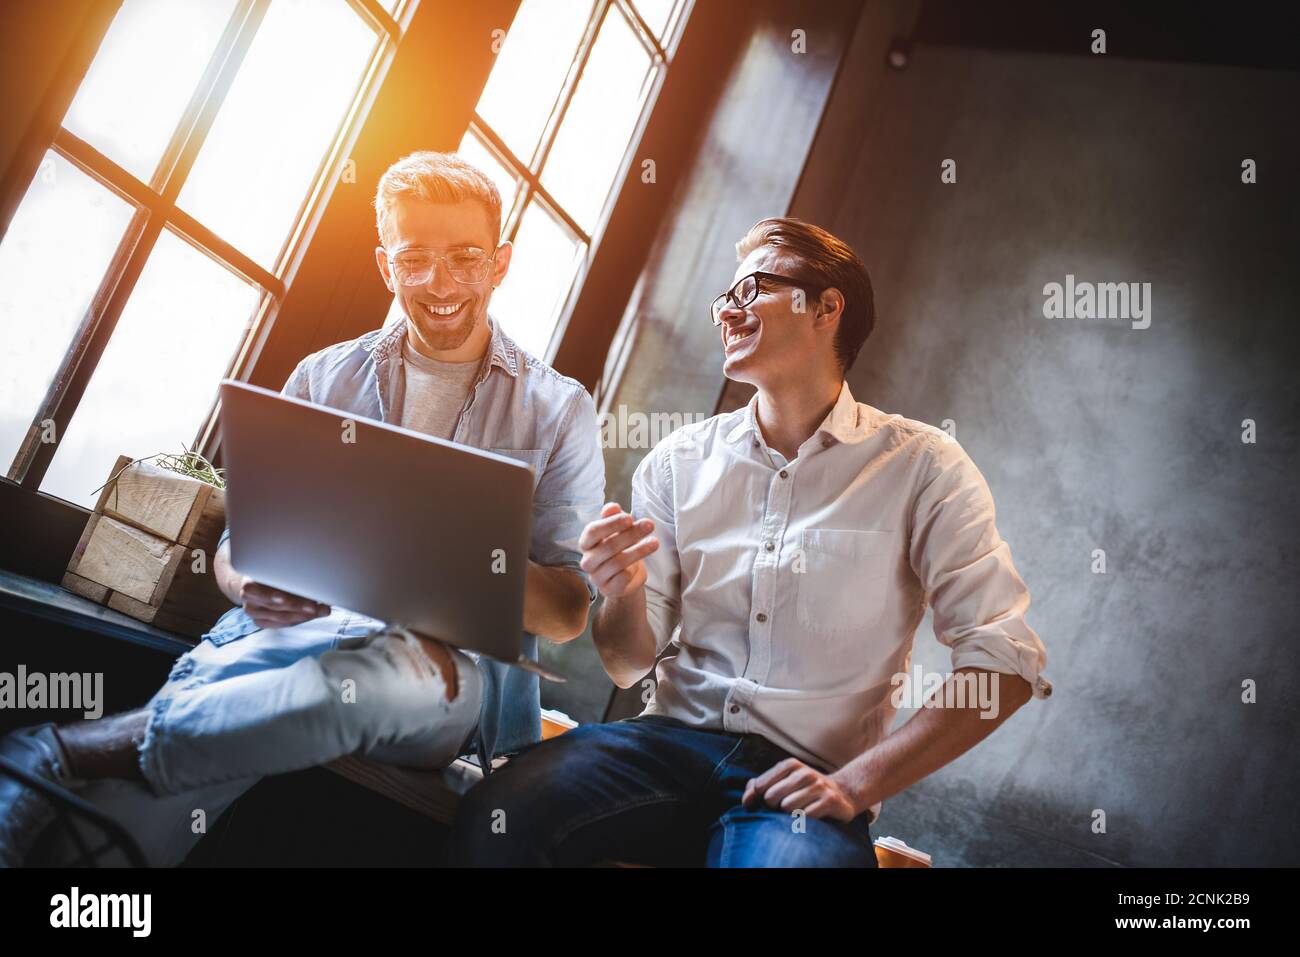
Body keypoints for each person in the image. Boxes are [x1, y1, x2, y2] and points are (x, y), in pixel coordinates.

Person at [0, 151, 605, 867]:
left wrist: (441, 549)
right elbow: (239, 547)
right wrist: (245, 582)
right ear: (386, 265)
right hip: (285, 637)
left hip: (441, 670)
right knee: (131, 828)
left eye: (465, 258)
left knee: (343, 688)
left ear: (500, 263)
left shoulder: (558, 408)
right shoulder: (324, 376)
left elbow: (568, 610)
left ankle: (64, 746)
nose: (439, 283)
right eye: (415, 259)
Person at [450, 217, 1052, 867]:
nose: (728, 313)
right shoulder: (677, 460)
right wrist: (622, 593)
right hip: (659, 746)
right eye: (723, 299)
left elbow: (1006, 662)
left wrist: (854, 785)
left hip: (804, 783)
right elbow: (627, 663)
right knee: (497, 816)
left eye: (752, 290)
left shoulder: (925, 466)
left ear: (826, 306)